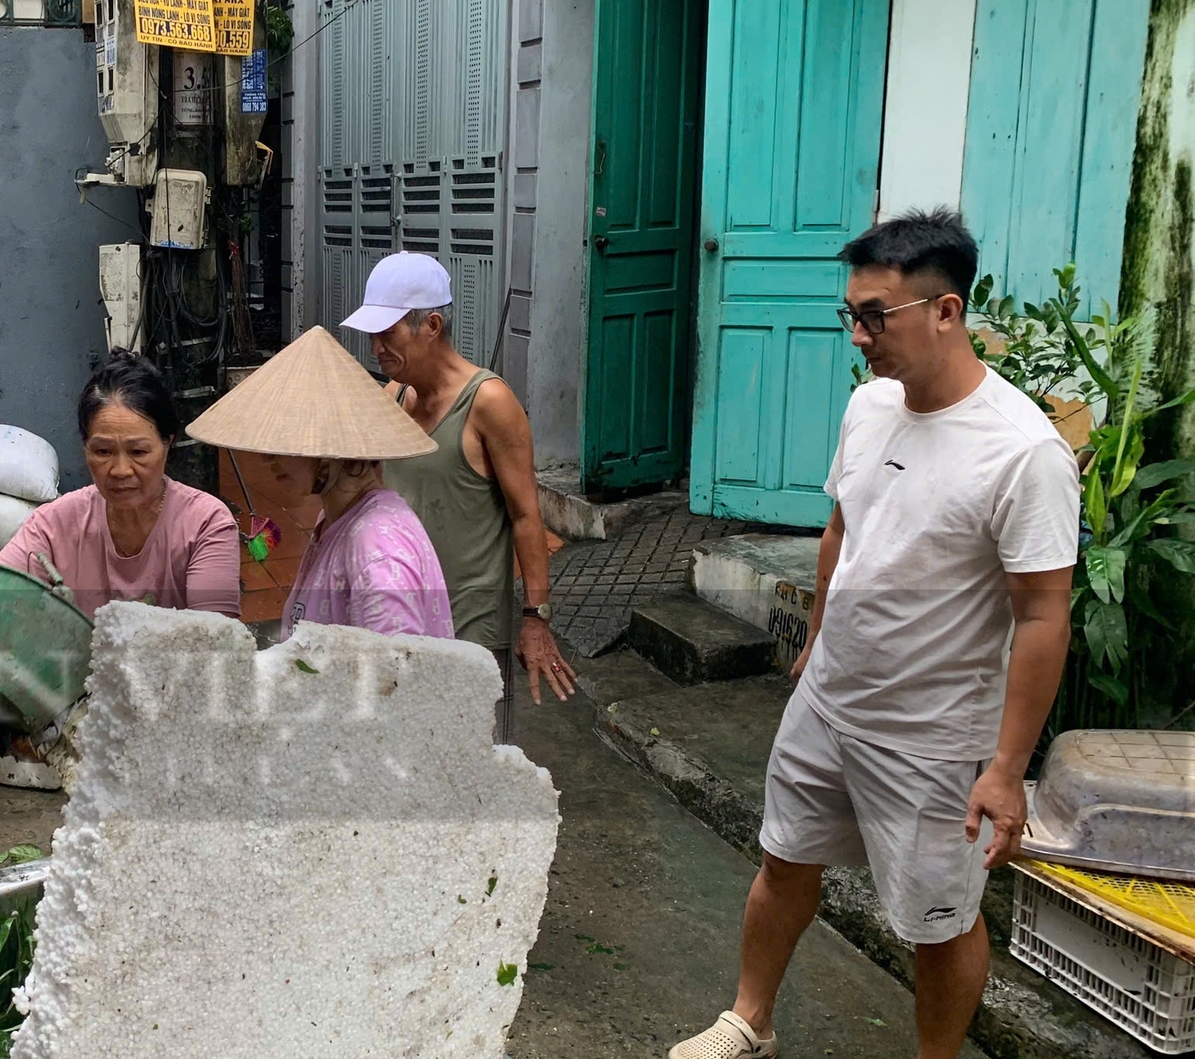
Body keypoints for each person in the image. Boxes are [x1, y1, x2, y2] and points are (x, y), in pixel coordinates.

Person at [670, 210, 1078, 1059]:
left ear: (946, 310)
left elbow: (1043, 614)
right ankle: (750, 1019)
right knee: (783, 859)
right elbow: (841, 527)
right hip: (830, 699)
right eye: (850, 314)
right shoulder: (869, 408)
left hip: (931, 734)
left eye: (874, 317)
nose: (858, 336)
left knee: (937, 921)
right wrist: (818, 636)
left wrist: (1005, 771)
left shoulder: (1021, 452)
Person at [339, 252, 575, 742]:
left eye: (388, 333)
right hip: (405, 620)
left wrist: (536, 619)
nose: (376, 346)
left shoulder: (489, 403)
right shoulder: (396, 397)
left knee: (472, 773)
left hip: (471, 631)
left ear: (431, 325)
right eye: (372, 333)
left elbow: (528, 518)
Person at [188, 326, 451, 641]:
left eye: (285, 442)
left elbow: (390, 678)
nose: (266, 458)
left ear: (331, 449)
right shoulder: (338, 516)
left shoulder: (377, 552)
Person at [0, 348, 240, 620]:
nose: (121, 471)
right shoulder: (54, 524)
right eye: (103, 452)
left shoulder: (205, 523)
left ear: (167, 444)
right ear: (85, 448)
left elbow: (216, 639)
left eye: (138, 452)